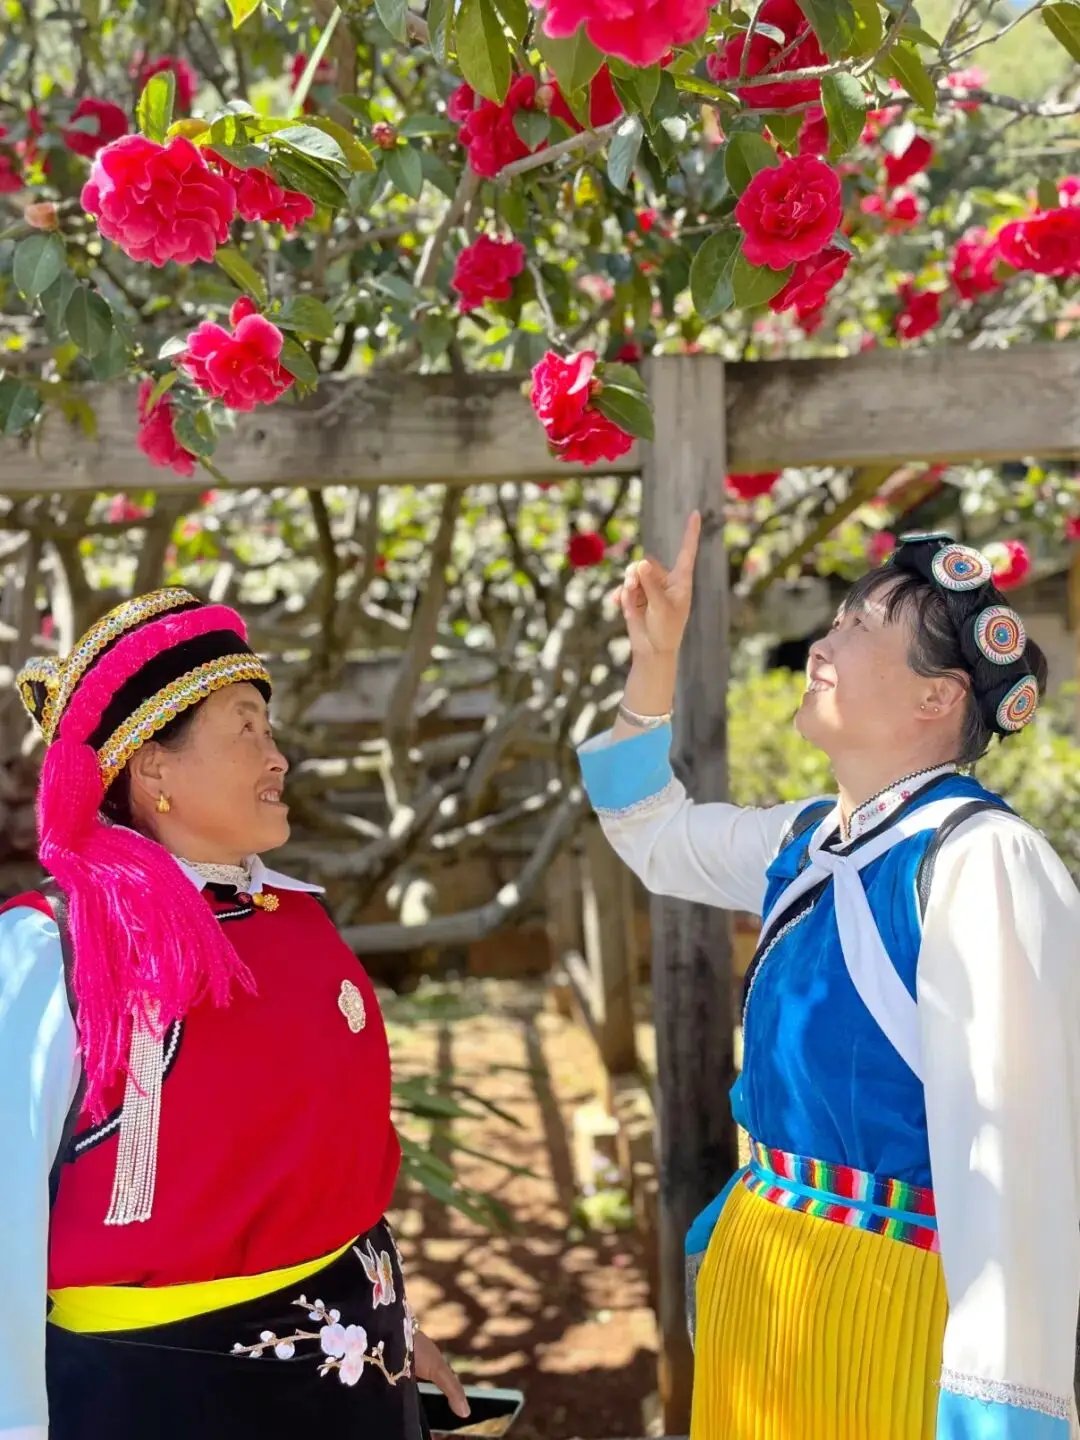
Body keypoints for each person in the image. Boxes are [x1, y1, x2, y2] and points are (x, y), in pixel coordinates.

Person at [577, 515, 1080, 1440]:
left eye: (859, 627)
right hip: (768, 1276)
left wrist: (1002, 1413)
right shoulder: (807, 840)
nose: (823, 644)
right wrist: (654, 665)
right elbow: (648, 831)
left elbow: (1016, 1166)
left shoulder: (982, 861)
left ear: (939, 698)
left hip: (889, 1296)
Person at [0, 587, 469, 1439]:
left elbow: (320, 1182)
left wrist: (385, 1332)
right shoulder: (55, 952)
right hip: (161, 1400)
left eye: (270, 728)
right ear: (154, 771)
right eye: (246, 727)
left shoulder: (296, 920)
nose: (277, 755)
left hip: (355, 1380)